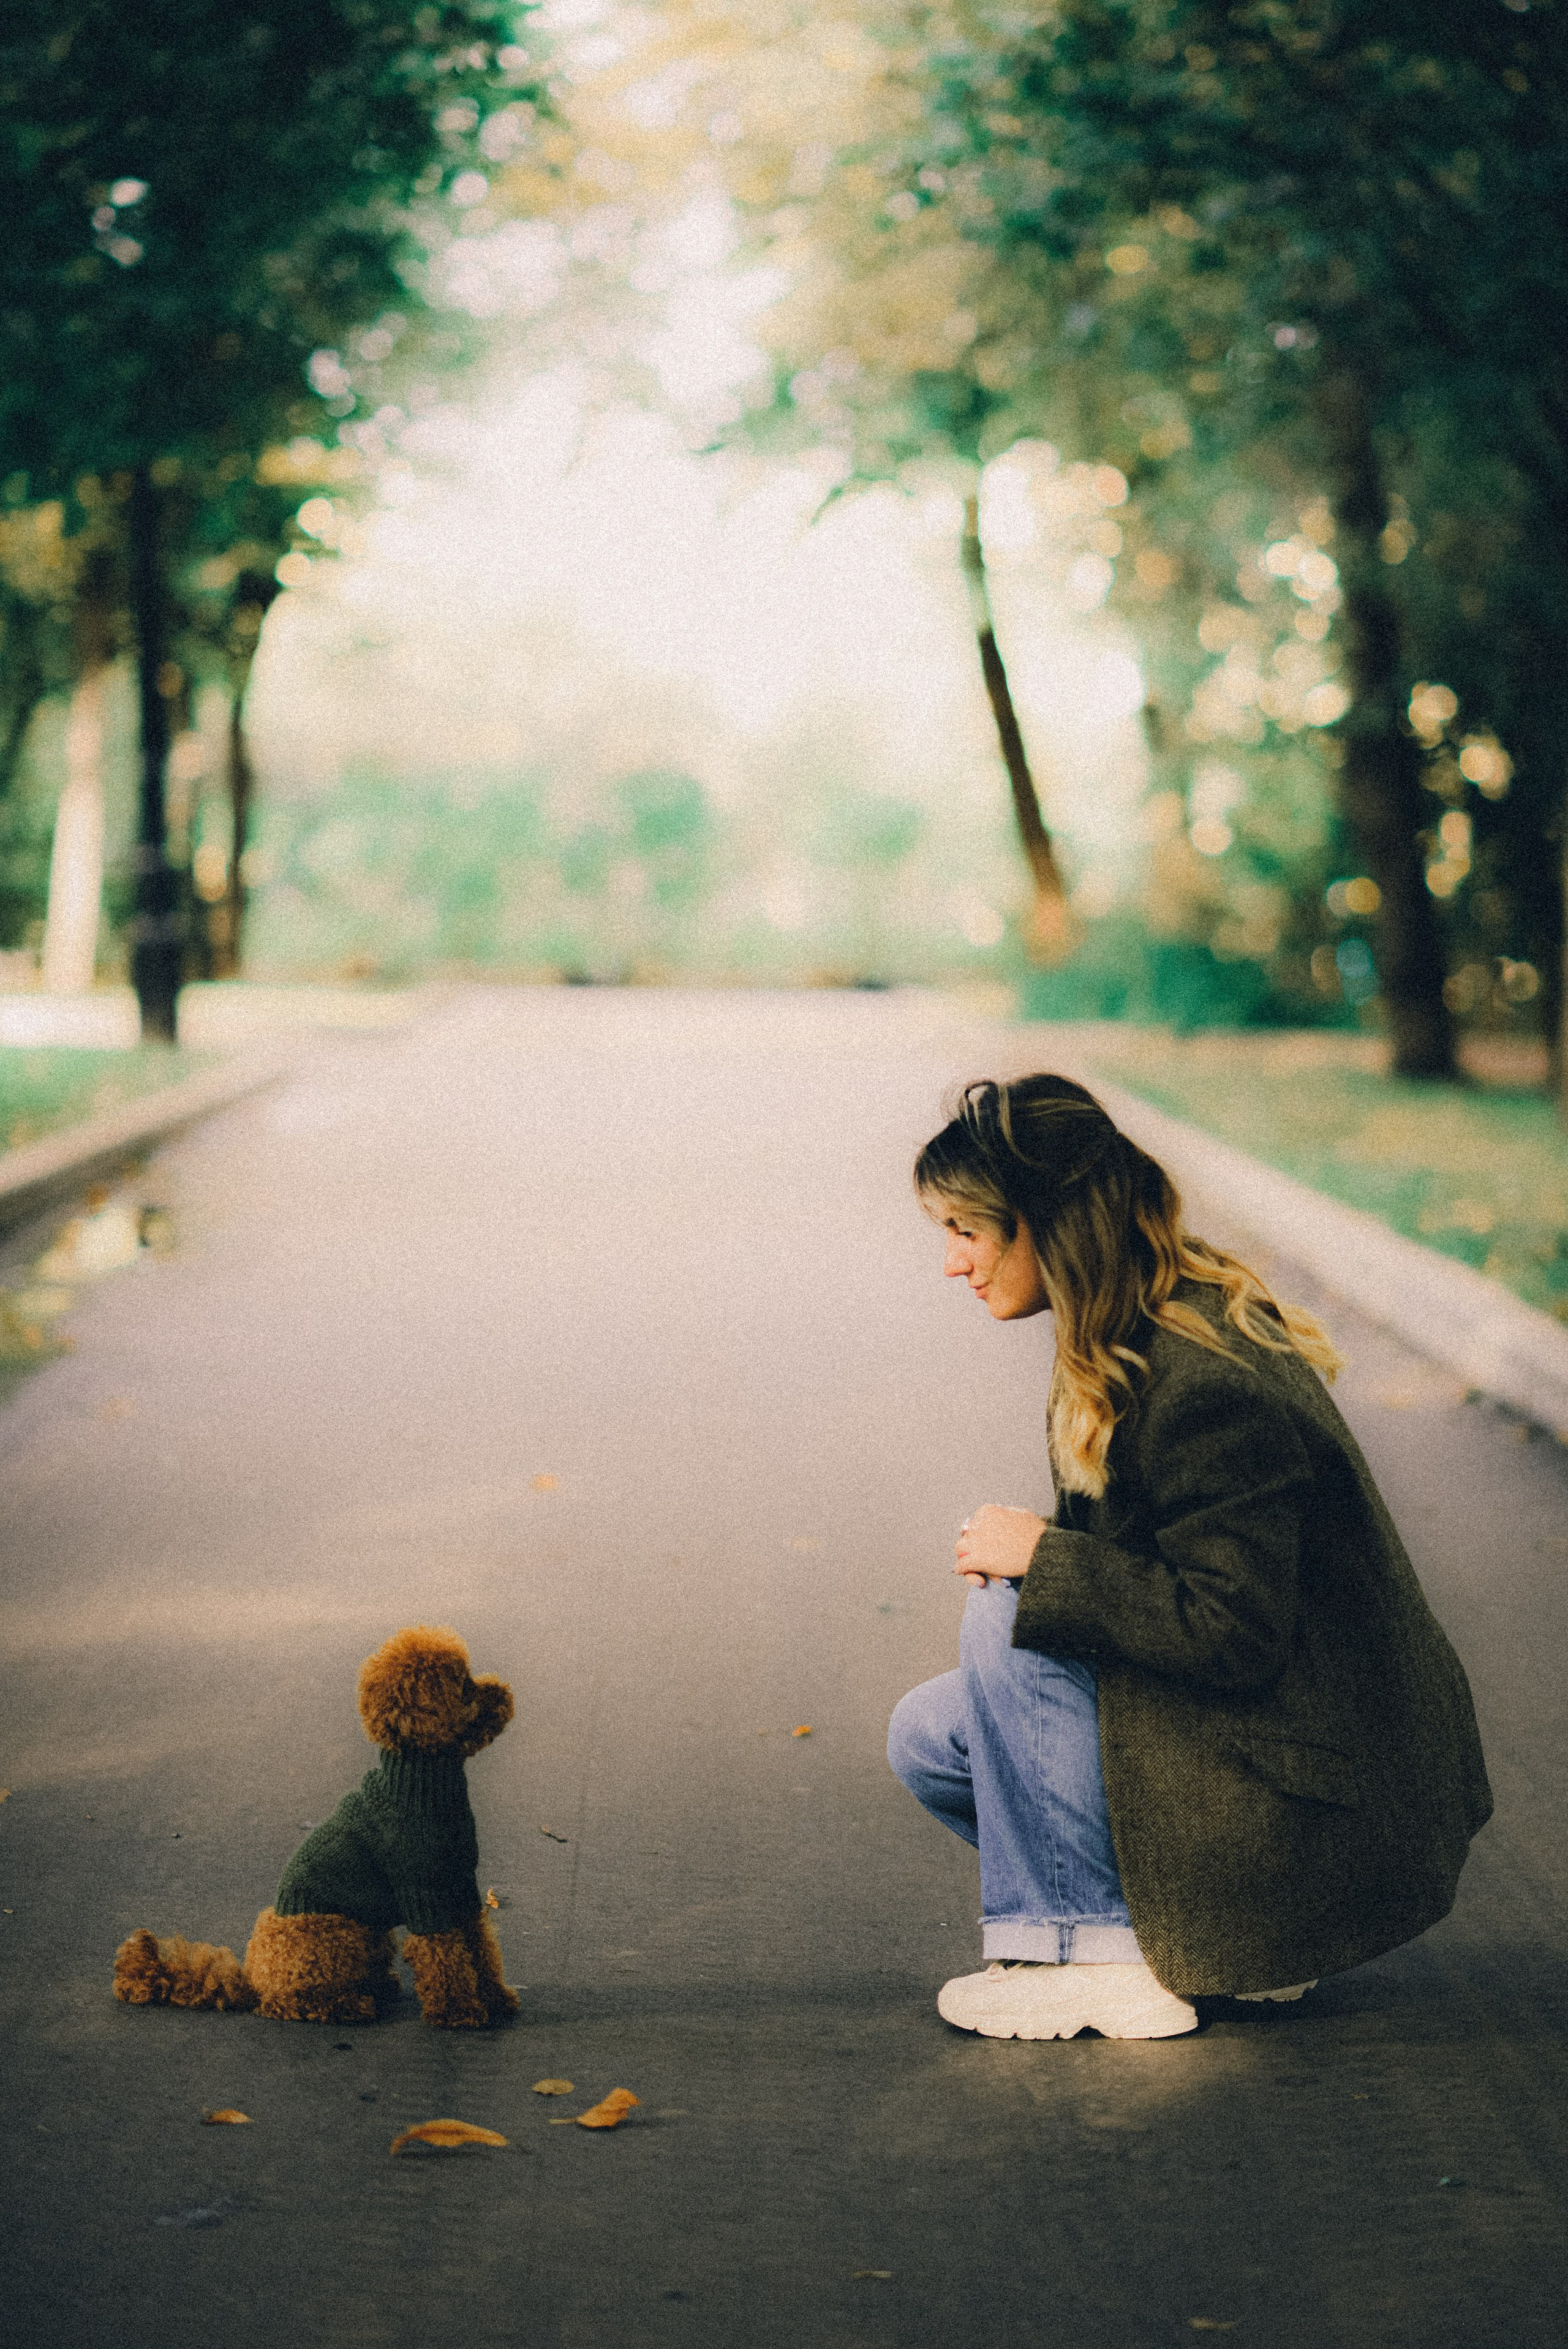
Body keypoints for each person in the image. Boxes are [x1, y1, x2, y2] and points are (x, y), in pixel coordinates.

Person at [888, 1074, 1492, 2042]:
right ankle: (1188, 1945)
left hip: (1316, 1810)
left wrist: (1047, 1560)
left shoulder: (1202, 1378)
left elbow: (1234, 1633)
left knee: (1010, 1612)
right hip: (1274, 1751)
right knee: (931, 1734)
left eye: (968, 1230)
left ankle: (1097, 1957)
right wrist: (1052, 1558)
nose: (953, 1262)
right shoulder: (1131, 1324)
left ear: (1046, 1223)